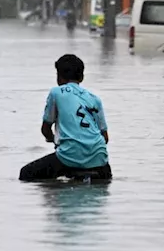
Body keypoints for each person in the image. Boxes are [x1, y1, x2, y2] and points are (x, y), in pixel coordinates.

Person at [19, 54, 112, 182]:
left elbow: (46, 129)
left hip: (69, 156)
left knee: (26, 174)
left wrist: (53, 140)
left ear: (59, 77)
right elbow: (105, 137)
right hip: (100, 161)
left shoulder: (56, 93)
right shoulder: (95, 99)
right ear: (82, 77)